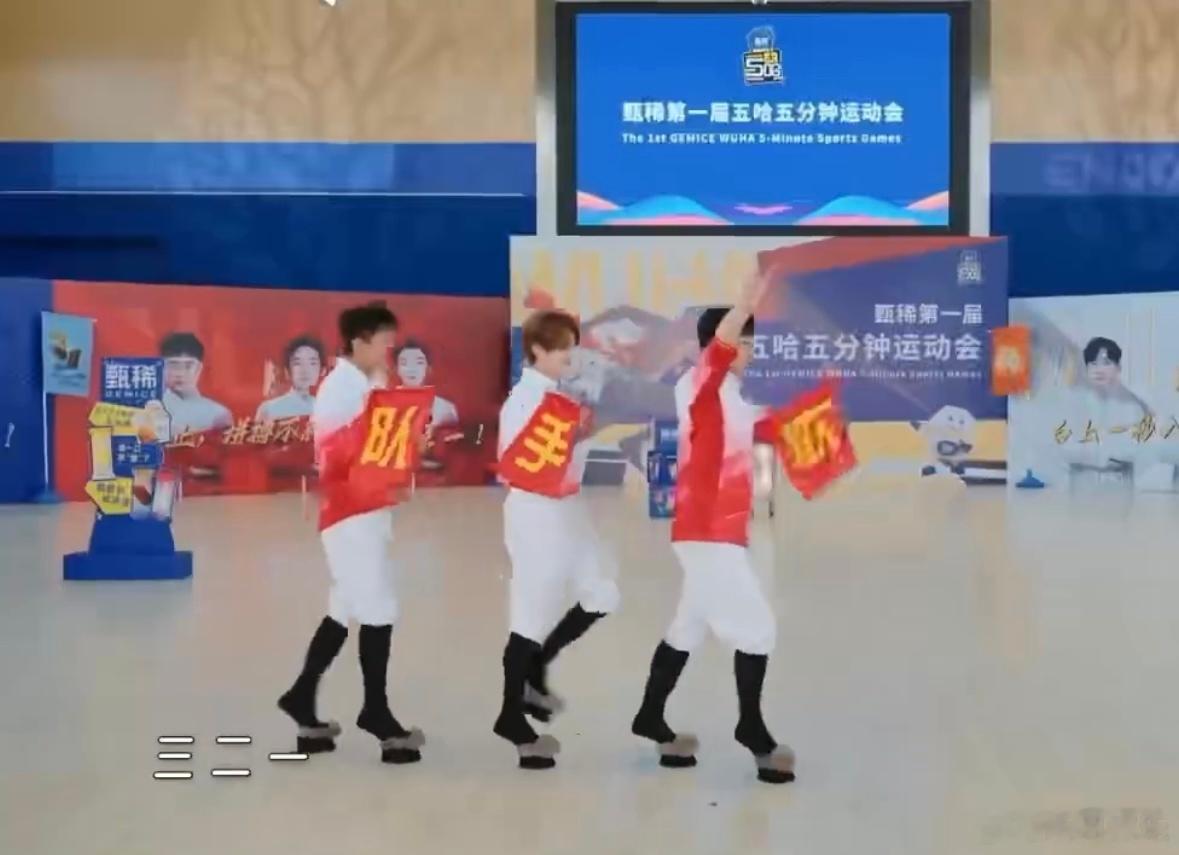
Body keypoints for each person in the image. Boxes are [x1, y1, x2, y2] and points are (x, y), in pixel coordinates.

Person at [630, 273, 795, 785]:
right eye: (744, 341)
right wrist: (744, 304)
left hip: (718, 527)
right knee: (759, 629)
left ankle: (650, 716)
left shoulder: (734, 395)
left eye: (752, 342)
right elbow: (721, 350)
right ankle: (753, 732)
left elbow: (769, 429)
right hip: (707, 530)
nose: (750, 351)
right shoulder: (700, 382)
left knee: (687, 626)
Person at [277, 303, 425, 764]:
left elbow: (382, 446)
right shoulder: (339, 389)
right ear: (359, 341)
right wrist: (386, 433)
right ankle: (376, 714)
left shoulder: (370, 384)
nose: (389, 351)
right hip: (348, 514)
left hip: (368, 510)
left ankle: (302, 699)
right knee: (378, 607)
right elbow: (335, 457)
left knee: (343, 608)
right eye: (384, 343)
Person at [493, 309, 620, 770]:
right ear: (537, 350)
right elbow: (519, 465)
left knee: (602, 592)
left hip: (567, 506)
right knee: (531, 611)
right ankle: (511, 716)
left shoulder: (560, 396)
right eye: (562, 347)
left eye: (573, 346)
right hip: (536, 513)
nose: (571, 355)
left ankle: (538, 666)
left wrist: (588, 429)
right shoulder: (524, 401)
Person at [1058, 336, 1150, 489]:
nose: (1099, 370)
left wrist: (1102, 455)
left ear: (1118, 368)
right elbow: (1064, 446)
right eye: (1093, 364)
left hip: (1120, 488)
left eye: (1106, 363)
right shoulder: (1074, 404)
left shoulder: (1131, 407)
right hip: (1081, 488)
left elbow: (1137, 451)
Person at [160, 332, 232, 433]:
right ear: (162, 367)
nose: (180, 373)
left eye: (188, 366)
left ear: (199, 368)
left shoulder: (218, 414)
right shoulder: (146, 410)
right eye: (174, 365)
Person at [256, 335, 326, 422]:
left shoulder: (325, 408)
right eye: (298, 363)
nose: (305, 370)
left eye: (312, 363)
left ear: (322, 370)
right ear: (287, 370)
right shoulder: (268, 409)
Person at [395, 340, 459, 428]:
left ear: (428, 368)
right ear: (397, 369)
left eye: (419, 362)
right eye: (404, 363)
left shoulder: (444, 408)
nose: (411, 369)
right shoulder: (384, 404)